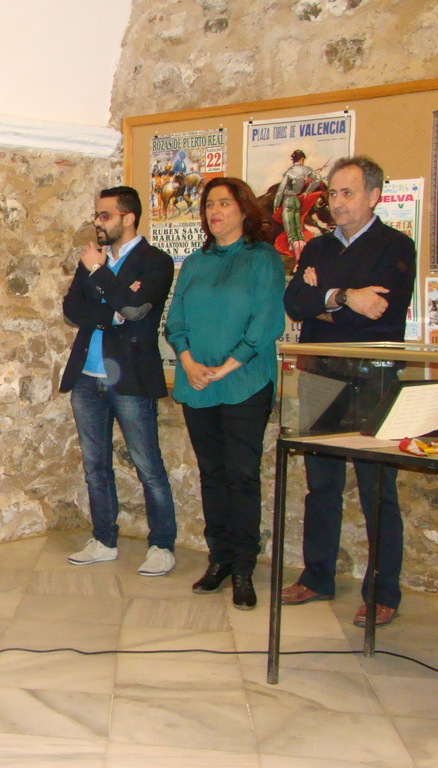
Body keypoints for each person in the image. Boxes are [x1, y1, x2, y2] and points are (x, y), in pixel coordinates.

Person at [280, 156, 416, 628]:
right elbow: (294, 302)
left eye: (347, 193)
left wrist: (324, 300)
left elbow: (377, 312)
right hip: (321, 375)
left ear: (374, 195)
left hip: (374, 377)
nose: (336, 203)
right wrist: (342, 296)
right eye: (332, 193)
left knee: (377, 490)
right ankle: (317, 577)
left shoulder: (396, 246)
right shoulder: (316, 250)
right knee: (322, 486)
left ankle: (383, 592)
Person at [165, 177, 285, 609]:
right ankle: (219, 559)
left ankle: (245, 567)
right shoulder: (195, 263)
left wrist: (225, 367)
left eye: (224, 203)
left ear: (244, 210)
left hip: (244, 384)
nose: (214, 211)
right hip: (197, 383)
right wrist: (190, 363)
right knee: (211, 475)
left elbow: (266, 324)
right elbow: (174, 319)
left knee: (241, 475)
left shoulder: (263, 260)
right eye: (209, 205)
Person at [61, 186, 178, 576]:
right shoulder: (94, 258)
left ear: (128, 218)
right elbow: (72, 308)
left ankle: (162, 544)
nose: (98, 221)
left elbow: (135, 308)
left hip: (129, 377)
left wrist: (99, 274)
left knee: (148, 466)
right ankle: (104, 539)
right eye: (97, 214)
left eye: (106, 215)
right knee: (96, 465)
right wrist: (110, 315)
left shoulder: (155, 261)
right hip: (87, 376)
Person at [273, 150, 322, 262]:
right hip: (297, 200)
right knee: (299, 233)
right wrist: (308, 191)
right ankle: (300, 261)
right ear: (301, 159)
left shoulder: (289, 172)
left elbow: (280, 190)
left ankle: (298, 263)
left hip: (288, 200)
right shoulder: (305, 170)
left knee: (292, 234)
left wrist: (276, 204)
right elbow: (318, 178)